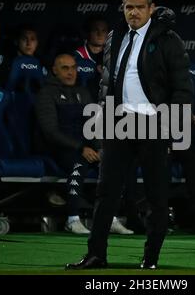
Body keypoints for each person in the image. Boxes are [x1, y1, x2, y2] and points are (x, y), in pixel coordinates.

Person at [66, 0, 193, 269]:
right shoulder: (115, 36)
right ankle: (96, 255)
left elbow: (183, 88)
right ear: (123, 8)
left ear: (151, 8)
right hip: (119, 124)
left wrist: (173, 127)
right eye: (128, 7)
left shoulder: (168, 40)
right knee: (106, 192)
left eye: (139, 7)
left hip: (154, 125)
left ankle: (150, 259)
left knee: (156, 195)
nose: (133, 12)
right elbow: (107, 82)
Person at [35, 54, 133, 235]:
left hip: (86, 147)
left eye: (73, 68)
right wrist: (81, 148)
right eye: (65, 68)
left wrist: (101, 148)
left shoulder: (84, 92)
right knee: (78, 163)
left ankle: (109, 218)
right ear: (54, 70)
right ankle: (72, 219)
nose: (70, 72)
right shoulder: (46, 94)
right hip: (59, 149)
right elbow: (51, 132)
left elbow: (94, 125)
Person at [75, 15, 109, 102]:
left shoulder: (113, 56)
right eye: (95, 30)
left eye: (103, 30)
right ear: (88, 32)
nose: (100, 34)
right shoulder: (76, 56)